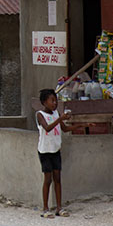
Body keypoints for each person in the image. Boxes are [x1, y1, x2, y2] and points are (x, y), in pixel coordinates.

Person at [36, 88, 72, 218]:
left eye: (56, 101)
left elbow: (65, 129)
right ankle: (45, 208)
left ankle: (59, 207)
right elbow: (47, 128)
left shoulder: (56, 113)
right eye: (52, 101)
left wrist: (82, 125)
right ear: (44, 102)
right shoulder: (40, 114)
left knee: (57, 178)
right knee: (48, 179)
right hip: (45, 151)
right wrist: (60, 118)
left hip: (56, 150)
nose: (54, 103)